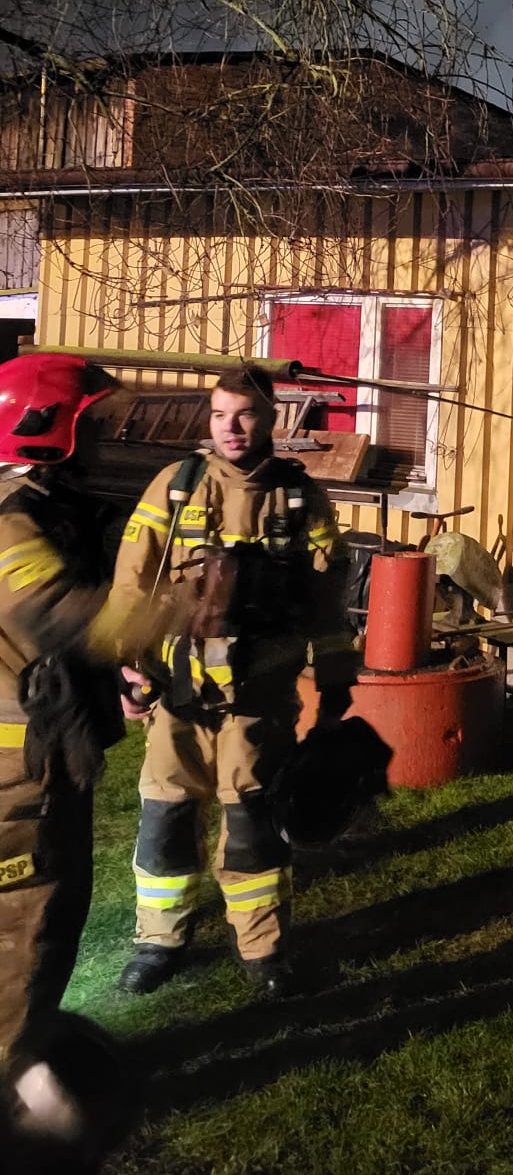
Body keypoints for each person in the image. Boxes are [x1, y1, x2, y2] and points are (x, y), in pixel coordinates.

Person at [113, 365, 357, 999]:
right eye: (220, 414)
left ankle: (263, 949)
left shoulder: (300, 499)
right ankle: (158, 942)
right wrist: (126, 663)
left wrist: (336, 681)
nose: (231, 428)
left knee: (252, 825)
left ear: (270, 418)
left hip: (260, 696)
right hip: (179, 693)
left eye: (245, 414)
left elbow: (327, 601)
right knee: (165, 817)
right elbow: (133, 580)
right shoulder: (177, 486)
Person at [0, 352, 171, 1164]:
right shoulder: (10, 525)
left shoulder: (45, 512)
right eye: (92, 426)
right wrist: (176, 612)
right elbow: (59, 615)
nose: (107, 439)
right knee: (21, 942)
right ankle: (15, 1117)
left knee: (53, 924)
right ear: (43, 431)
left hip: (44, 767)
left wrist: (118, 682)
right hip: (15, 781)